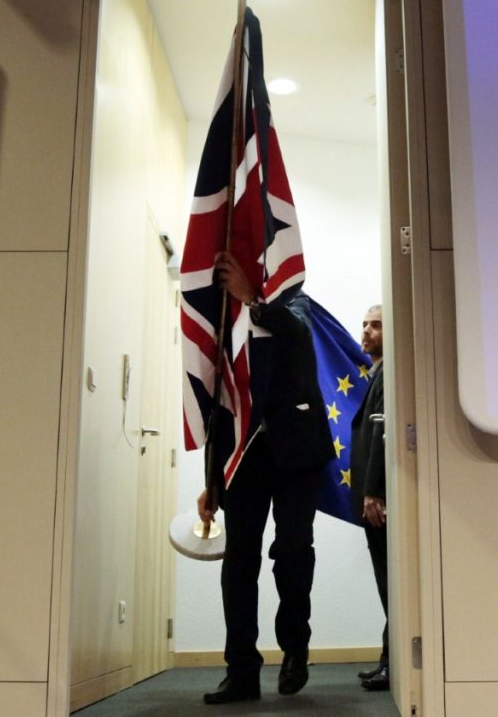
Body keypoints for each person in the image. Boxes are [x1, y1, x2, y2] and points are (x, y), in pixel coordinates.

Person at [198, 251, 335, 705]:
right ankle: (241, 671)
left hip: (297, 450)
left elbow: (296, 333)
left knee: (292, 552)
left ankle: (295, 649)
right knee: (239, 562)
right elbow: (217, 399)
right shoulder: (221, 317)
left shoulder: (293, 300)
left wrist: (253, 298)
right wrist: (213, 479)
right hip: (244, 456)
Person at [350, 305, 390, 692]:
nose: (366, 331)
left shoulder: (389, 373)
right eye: (364, 324)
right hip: (374, 496)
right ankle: (388, 660)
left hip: (380, 498)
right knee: (385, 580)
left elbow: (382, 433)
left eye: (376, 325)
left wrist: (374, 490)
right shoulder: (377, 374)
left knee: (390, 581)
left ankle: (391, 665)